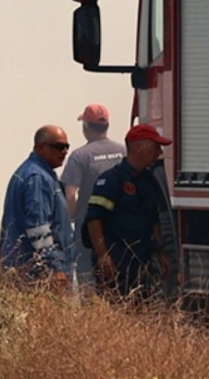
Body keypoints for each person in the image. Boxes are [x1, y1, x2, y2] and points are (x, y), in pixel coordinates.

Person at [82, 124, 172, 298]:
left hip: (142, 264)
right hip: (116, 264)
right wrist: (103, 256)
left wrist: (161, 253)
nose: (159, 152)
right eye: (155, 147)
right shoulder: (110, 180)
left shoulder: (149, 181)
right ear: (138, 147)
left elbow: (154, 221)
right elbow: (94, 220)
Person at [0, 124, 73, 291]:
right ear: (40, 147)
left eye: (67, 147)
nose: (64, 152)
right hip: (36, 277)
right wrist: (55, 268)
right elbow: (38, 228)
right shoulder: (37, 178)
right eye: (59, 147)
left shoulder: (39, 174)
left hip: (27, 273)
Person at [60, 103, 126, 285]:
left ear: (86, 128)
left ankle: (90, 310)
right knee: (119, 273)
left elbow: (70, 193)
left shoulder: (80, 156)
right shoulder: (123, 151)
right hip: (119, 221)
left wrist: (71, 218)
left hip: (87, 225)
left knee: (86, 275)